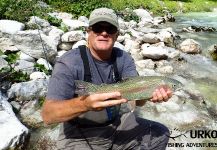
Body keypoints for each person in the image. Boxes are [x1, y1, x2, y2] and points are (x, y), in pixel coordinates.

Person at [42, 7, 172, 150]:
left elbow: (138, 102)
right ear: (88, 32)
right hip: (79, 135)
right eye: (98, 28)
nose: (104, 33)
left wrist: (149, 94)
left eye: (110, 29)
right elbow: (48, 116)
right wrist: (85, 104)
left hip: (116, 125)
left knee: (161, 132)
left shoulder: (124, 58)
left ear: (116, 35)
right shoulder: (69, 63)